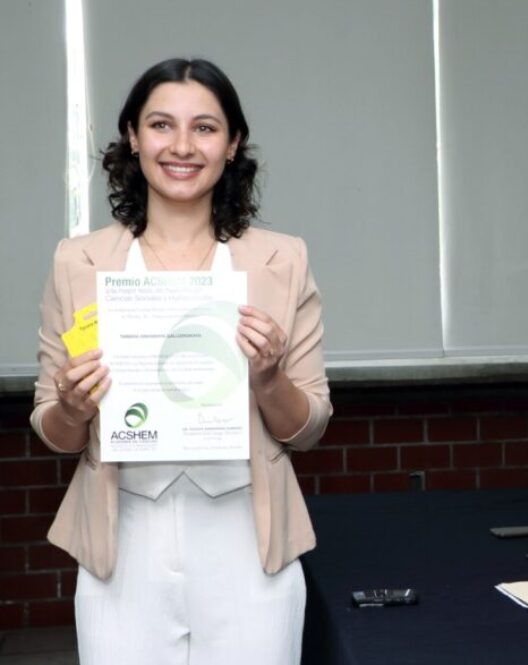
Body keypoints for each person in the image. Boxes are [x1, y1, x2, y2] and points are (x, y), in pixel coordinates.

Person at [30, 58, 332, 665]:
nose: (182, 146)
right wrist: (71, 405)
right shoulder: (78, 262)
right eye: (162, 125)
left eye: (205, 128)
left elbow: (310, 426)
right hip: (125, 534)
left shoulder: (282, 261)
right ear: (134, 138)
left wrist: (269, 377)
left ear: (232, 143)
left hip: (250, 536)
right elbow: (53, 431)